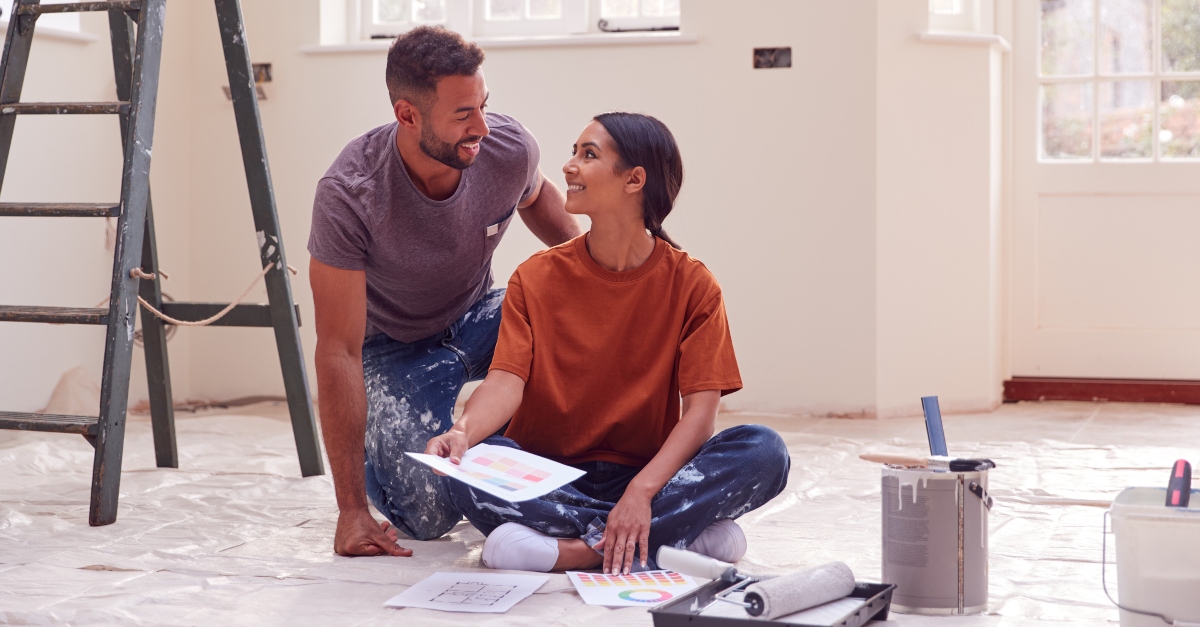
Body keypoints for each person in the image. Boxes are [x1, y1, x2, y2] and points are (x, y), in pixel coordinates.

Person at [424, 112, 791, 575]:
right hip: (546, 473)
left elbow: (700, 415)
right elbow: (504, 382)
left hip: (647, 476)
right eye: (574, 152)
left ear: (635, 179)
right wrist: (462, 433)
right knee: (471, 472)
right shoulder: (536, 277)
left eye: (588, 155)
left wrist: (640, 493)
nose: (568, 166)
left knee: (764, 450)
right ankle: (673, 537)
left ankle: (578, 550)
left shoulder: (694, 285)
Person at [307, 26, 582, 558]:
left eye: (483, 104)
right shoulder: (349, 195)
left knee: (580, 304)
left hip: (480, 317)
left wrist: (621, 282)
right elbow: (337, 350)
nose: (481, 126)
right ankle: (401, 455)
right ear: (407, 115)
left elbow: (552, 217)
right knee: (427, 517)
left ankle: (548, 456)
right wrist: (350, 511)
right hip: (392, 349)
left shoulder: (507, 149)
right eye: (462, 114)